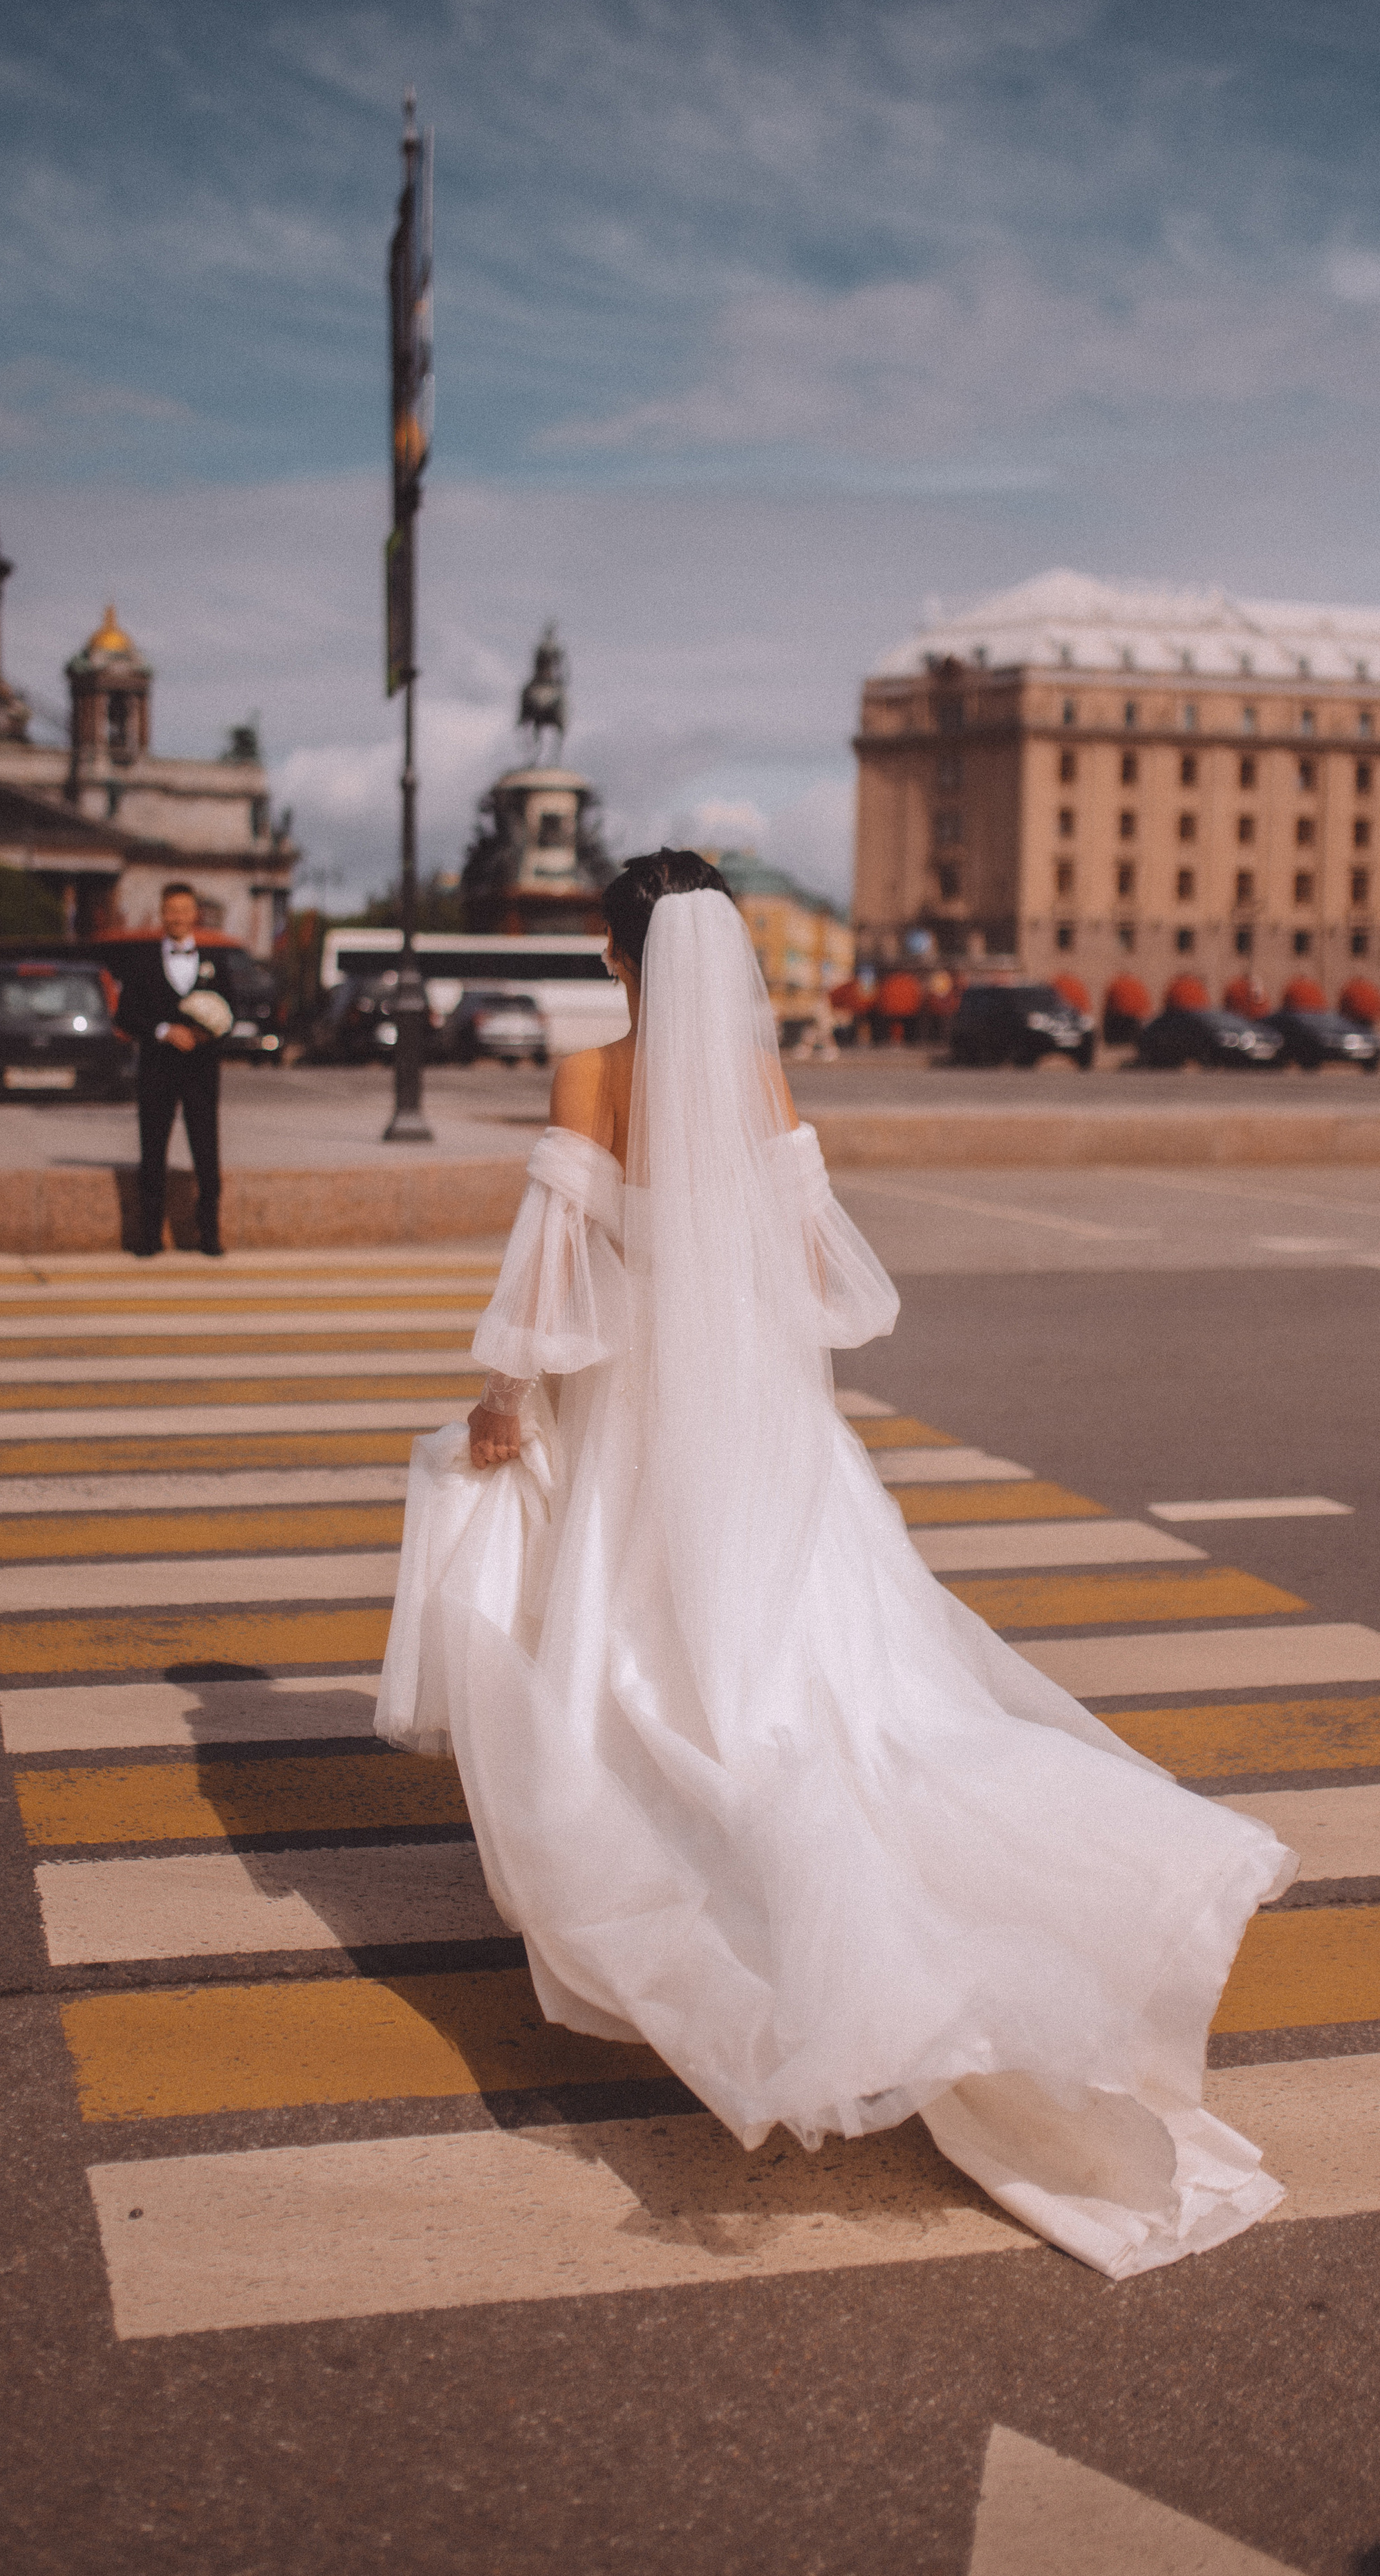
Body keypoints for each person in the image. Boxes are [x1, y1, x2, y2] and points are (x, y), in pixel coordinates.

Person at [378, 847, 1295, 2279]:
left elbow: (549, 1269)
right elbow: (814, 1277)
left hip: (640, 1411)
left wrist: (502, 1400)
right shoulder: (759, 1079)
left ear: (618, 956)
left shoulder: (589, 1075)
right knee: (838, 1680)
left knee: (654, 1663)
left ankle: (775, 1930)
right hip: (762, 1417)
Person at [108, 883, 227, 1258]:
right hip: (157, 1070)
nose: (177, 917)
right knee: (153, 1152)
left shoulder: (215, 961)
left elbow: (232, 1014)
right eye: (171, 910)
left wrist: (201, 1034)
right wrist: (163, 1030)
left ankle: (209, 1234)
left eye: (184, 910)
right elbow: (124, 1015)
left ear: (195, 915)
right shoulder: (142, 961)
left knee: (206, 1151)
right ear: (162, 914)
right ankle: (149, 1236)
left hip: (201, 1072)